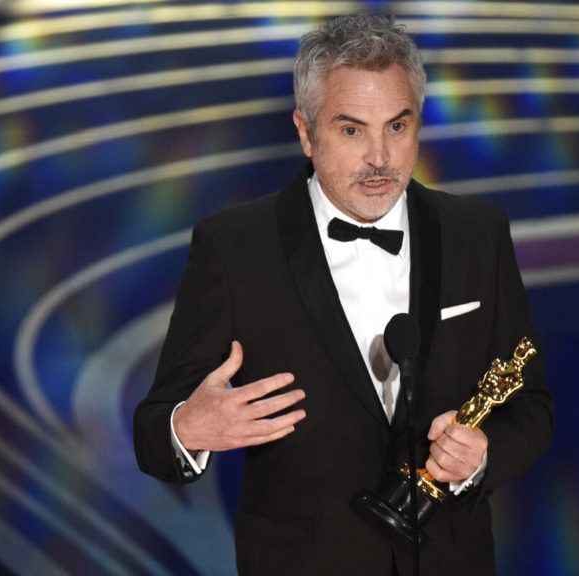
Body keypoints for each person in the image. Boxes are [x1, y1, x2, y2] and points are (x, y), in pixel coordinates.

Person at [134, 12, 554, 576]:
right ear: (306, 133)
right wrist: (188, 427)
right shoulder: (234, 248)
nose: (380, 157)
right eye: (351, 130)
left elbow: (530, 406)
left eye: (397, 127)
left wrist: (482, 457)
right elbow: (153, 433)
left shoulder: (477, 233)